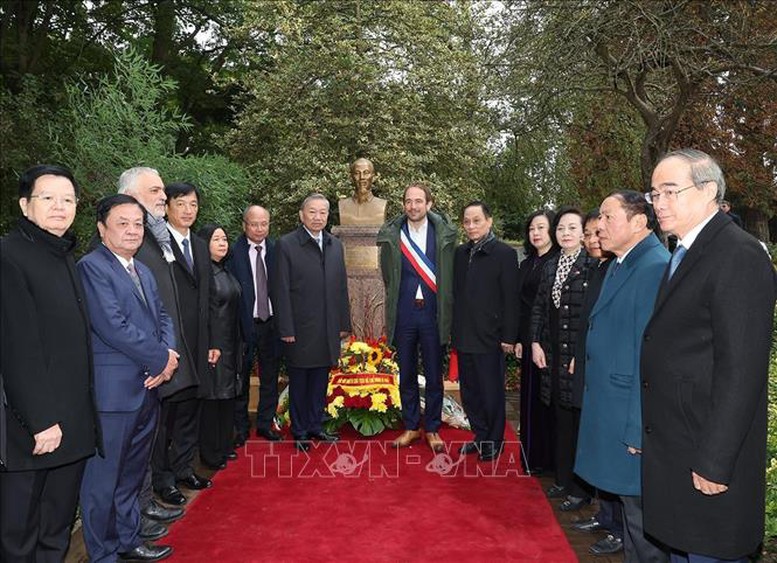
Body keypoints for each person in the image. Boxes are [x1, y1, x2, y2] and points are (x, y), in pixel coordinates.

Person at [641, 149, 777, 562]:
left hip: (708, 454)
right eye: (653, 193)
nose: (659, 203)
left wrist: (715, 461)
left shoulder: (739, 254)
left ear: (709, 192)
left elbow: (743, 370)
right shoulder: (685, 251)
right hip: (679, 445)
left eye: (670, 191)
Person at [0, 165, 100, 562]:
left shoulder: (63, 255)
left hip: (71, 427)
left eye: (68, 199)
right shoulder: (9, 256)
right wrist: (40, 420)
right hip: (32, 432)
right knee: (19, 536)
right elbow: (16, 346)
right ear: (25, 206)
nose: (60, 207)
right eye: (48, 198)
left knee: (55, 530)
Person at [78, 194, 178, 563]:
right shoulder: (92, 268)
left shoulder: (141, 269)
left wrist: (167, 358)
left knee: (131, 476)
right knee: (103, 482)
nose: (133, 230)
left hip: (148, 388)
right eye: (123, 223)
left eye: (138, 223)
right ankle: (103, 554)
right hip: (113, 397)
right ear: (102, 229)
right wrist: (160, 360)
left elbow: (163, 318)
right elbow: (113, 327)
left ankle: (128, 539)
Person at [574, 191, 670, 562]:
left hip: (630, 417)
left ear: (639, 222)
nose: (599, 225)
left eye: (608, 217)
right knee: (633, 523)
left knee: (643, 524)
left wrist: (637, 428)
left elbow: (650, 359)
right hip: (612, 408)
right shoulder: (621, 263)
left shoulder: (652, 267)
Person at [117, 167, 186, 528]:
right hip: (135, 369)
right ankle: (135, 517)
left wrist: (168, 352)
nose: (164, 196)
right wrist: (159, 356)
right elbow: (125, 318)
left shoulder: (154, 238)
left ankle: (144, 505)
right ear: (131, 195)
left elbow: (161, 307)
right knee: (130, 452)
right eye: (155, 190)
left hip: (158, 361)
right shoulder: (126, 245)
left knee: (145, 446)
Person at [148, 182, 216, 505]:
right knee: (167, 417)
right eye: (181, 204)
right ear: (167, 208)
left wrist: (213, 340)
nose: (188, 210)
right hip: (172, 345)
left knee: (191, 410)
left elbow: (209, 297)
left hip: (199, 342)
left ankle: (184, 467)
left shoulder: (200, 245)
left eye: (193, 204)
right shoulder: (155, 246)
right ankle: (162, 479)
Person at [376, 183, 457, 452]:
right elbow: (388, 275)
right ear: (404, 205)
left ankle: (432, 428)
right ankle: (411, 427)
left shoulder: (444, 234)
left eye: (418, 201)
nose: (413, 206)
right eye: (408, 201)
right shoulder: (393, 234)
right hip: (405, 312)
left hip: (434, 312)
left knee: (434, 374)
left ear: (429, 204)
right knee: (406, 373)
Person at [271, 194, 352, 451]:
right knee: (300, 383)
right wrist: (286, 328)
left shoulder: (335, 245)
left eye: (323, 213)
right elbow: (280, 290)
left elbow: (341, 287)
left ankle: (316, 426)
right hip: (300, 329)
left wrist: (343, 323)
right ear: (302, 215)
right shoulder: (287, 244)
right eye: (312, 212)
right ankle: (300, 431)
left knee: (320, 380)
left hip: (328, 328)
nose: (318, 217)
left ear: (328, 216)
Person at [530, 206, 596, 512]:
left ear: (583, 232)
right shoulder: (551, 265)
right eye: (561, 229)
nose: (565, 233)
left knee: (578, 421)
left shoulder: (593, 265)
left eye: (572, 228)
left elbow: (593, 317)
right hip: (552, 351)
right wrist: (534, 342)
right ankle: (561, 478)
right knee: (559, 416)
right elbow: (540, 309)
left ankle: (580, 490)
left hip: (576, 355)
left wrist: (581, 355)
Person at [568, 210, 624, 557]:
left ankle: (618, 527)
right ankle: (604, 515)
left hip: (612, 375)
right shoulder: (601, 268)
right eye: (589, 234)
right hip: (591, 365)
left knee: (612, 447)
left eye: (594, 233)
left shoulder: (620, 268)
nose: (592, 239)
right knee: (598, 441)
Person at [452, 202, 519, 461]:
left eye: (476, 220)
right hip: (465, 335)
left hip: (491, 337)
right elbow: (457, 295)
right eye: (467, 222)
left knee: (491, 392)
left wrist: (508, 337)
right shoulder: (460, 254)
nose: (471, 226)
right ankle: (480, 436)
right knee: (470, 393)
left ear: (489, 221)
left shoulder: (504, 254)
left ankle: (494, 440)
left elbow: (510, 299)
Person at [226, 205, 282, 445]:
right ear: (244, 225)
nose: (259, 229)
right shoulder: (232, 253)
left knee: (270, 376)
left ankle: (265, 423)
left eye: (264, 224)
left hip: (271, 323)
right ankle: (240, 428)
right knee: (241, 378)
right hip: (242, 324)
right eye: (254, 224)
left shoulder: (277, 250)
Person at [515, 209, 558, 473]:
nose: (536, 233)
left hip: (548, 343)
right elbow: (522, 306)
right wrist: (521, 339)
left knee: (547, 403)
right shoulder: (526, 263)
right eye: (532, 229)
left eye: (541, 228)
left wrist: (537, 339)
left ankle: (548, 460)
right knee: (529, 400)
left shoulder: (556, 262)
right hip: (529, 339)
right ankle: (531, 457)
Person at [198, 224, 243, 469]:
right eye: (216, 239)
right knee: (213, 399)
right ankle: (210, 453)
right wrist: (210, 343)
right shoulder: (203, 274)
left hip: (231, 343)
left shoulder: (225, 271)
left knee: (227, 397)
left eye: (224, 239)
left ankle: (225, 446)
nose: (222, 243)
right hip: (213, 346)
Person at [338, 157, 387, 226]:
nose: (362, 177)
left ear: (373, 177)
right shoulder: (342, 205)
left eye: (366, 173)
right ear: (351, 177)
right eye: (357, 173)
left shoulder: (381, 205)